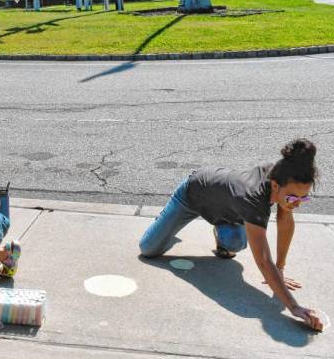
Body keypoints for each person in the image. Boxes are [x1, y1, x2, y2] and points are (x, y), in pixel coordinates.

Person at [139, 139, 324, 331]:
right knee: (148, 248)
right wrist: (294, 307)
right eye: (293, 198)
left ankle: (220, 230)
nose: (297, 203)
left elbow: (285, 223)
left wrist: (280, 269)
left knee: (235, 242)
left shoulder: (283, 177)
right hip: (192, 196)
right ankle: (168, 225)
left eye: (304, 198)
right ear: (275, 186)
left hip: (227, 209)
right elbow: (263, 260)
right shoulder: (254, 198)